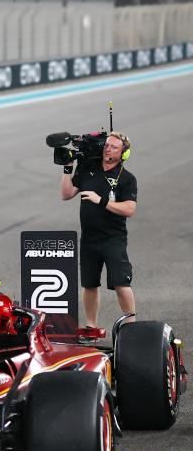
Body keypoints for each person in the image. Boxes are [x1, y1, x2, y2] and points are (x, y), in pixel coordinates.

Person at [60, 132, 137, 328]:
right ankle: (91, 327)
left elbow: (129, 209)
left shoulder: (127, 178)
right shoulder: (88, 169)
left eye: (114, 147)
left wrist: (100, 200)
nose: (108, 149)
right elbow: (66, 194)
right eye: (107, 145)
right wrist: (68, 168)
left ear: (123, 154)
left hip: (113, 239)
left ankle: (131, 326)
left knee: (121, 284)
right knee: (89, 285)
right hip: (88, 239)